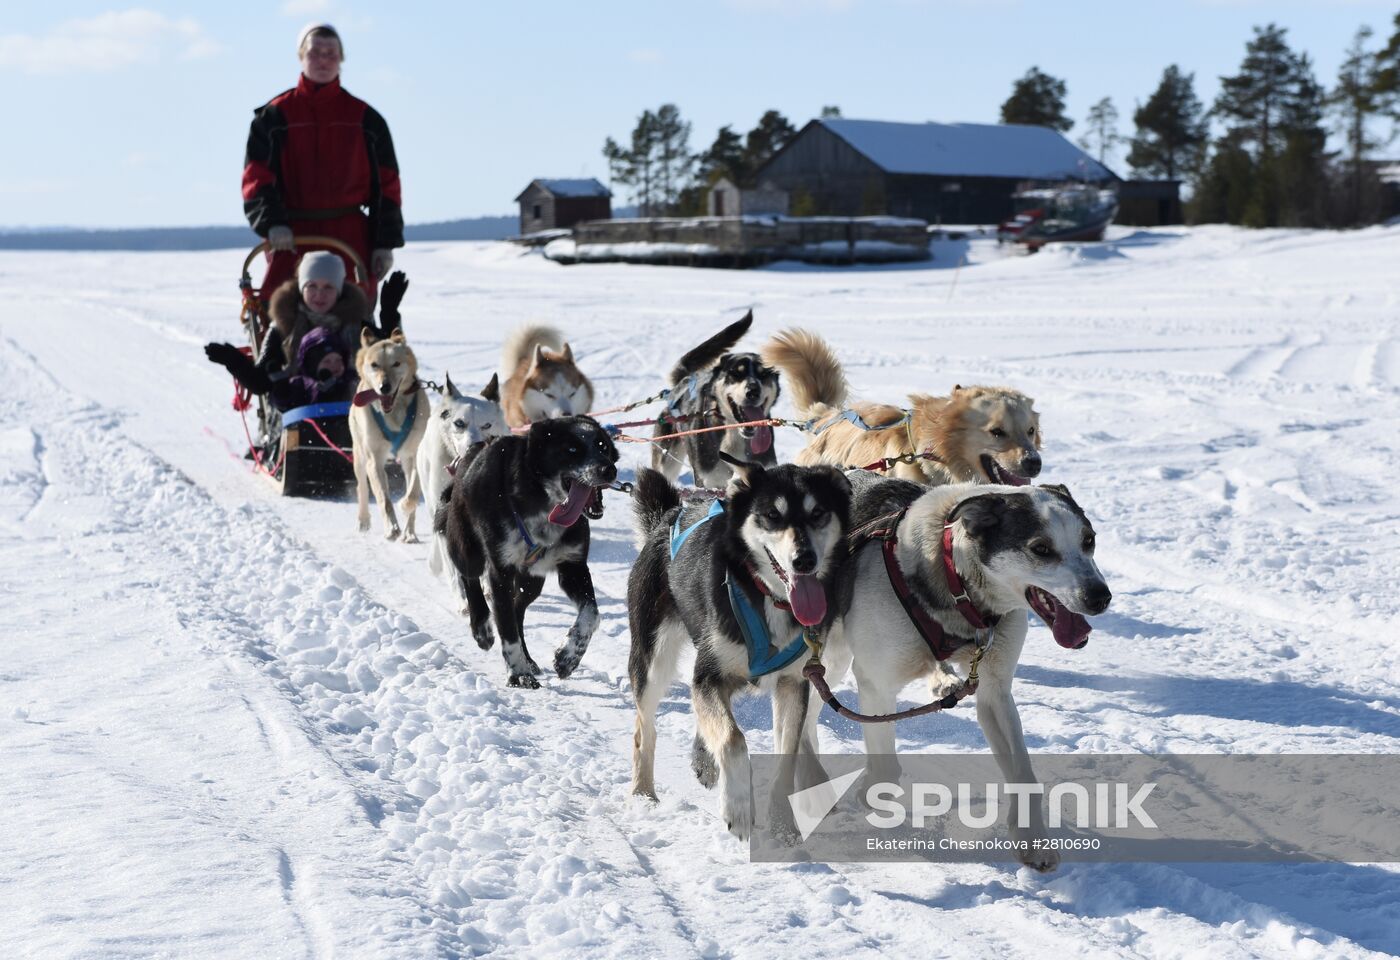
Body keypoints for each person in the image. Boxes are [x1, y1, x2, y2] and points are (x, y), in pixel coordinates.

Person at [242, 23, 403, 298]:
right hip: (290, 236)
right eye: (315, 53)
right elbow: (256, 178)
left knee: (352, 310)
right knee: (281, 310)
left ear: (341, 59)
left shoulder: (366, 120)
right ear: (301, 56)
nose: (323, 61)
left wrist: (383, 242)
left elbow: (388, 186)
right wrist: (272, 224)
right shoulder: (273, 118)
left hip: (350, 237)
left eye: (331, 54)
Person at [205, 252, 409, 408]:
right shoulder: (283, 327)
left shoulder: (356, 324)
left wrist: (389, 313)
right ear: (301, 288)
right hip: (297, 416)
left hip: (355, 412)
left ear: (339, 291)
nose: (319, 295)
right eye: (312, 286)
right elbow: (261, 383)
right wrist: (234, 361)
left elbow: (392, 357)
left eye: (328, 287)